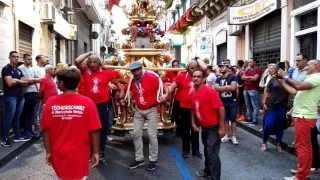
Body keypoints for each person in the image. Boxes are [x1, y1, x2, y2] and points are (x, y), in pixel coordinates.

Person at [41, 68, 101, 180]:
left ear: (62, 84)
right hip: (80, 153)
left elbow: (45, 129)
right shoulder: (88, 103)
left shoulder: (50, 102)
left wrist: (48, 152)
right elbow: (95, 130)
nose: (57, 83)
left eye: (58, 81)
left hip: (58, 152)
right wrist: (96, 152)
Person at [119, 61, 168, 171]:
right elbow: (124, 90)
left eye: (137, 70)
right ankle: (139, 158)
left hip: (152, 109)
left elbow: (165, 88)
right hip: (139, 110)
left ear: (141, 68)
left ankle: (153, 159)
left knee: (151, 135)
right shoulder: (131, 80)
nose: (135, 73)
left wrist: (165, 95)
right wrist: (121, 99)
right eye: (133, 71)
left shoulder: (151, 77)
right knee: (136, 133)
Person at [278, 60, 320, 180]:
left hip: (304, 116)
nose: (305, 67)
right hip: (303, 115)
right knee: (306, 146)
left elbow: (298, 86)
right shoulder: (311, 77)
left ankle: (301, 175)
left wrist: (286, 76)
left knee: (302, 147)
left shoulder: (316, 77)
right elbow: (295, 91)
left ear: (316, 66)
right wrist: (282, 81)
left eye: (308, 65)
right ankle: (304, 171)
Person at [75, 52, 117, 163]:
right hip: (88, 105)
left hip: (102, 105)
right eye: (90, 62)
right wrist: (89, 53)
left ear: (99, 63)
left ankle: (101, 151)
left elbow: (117, 84)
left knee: (102, 128)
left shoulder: (107, 73)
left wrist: (121, 94)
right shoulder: (85, 71)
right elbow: (77, 61)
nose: (92, 64)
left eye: (95, 62)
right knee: (88, 128)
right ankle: (90, 151)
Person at [165, 58, 208, 159]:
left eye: (196, 68)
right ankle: (186, 150)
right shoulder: (181, 76)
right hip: (184, 107)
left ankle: (196, 150)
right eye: (192, 68)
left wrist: (197, 59)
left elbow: (205, 68)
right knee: (185, 129)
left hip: (196, 107)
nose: (194, 70)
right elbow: (172, 87)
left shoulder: (200, 76)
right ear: (188, 68)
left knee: (196, 130)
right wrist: (166, 94)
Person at [191, 69, 225, 180]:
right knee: (207, 150)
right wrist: (193, 123)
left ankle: (215, 177)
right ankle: (207, 171)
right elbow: (193, 109)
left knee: (212, 154)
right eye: (194, 76)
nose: (195, 78)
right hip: (204, 127)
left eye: (198, 76)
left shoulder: (210, 91)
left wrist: (221, 127)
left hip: (213, 128)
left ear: (204, 79)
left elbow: (221, 108)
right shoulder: (194, 92)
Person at [1, 51, 31, 147]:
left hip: (20, 96)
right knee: (9, 117)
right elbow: (9, 83)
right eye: (14, 56)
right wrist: (18, 81)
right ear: (9, 58)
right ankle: (5, 139)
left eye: (17, 57)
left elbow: (26, 81)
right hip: (11, 96)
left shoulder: (18, 70)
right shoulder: (6, 69)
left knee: (17, 117)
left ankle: (17, 136)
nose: (16, 58)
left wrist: (15, 80)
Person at [261, 64, 288, 153]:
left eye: (282, 70)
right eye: (279, 70)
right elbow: (267, 91)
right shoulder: (273, 79)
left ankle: (278, 144)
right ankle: (264, 142)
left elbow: (290, 93)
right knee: (268, 124)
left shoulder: (288, 81)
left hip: (282, 105)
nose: (281, 72)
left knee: (280, 126)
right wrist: (264, 102)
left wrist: (289, 109)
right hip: (271, 105)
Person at [214, 63, 239, 145]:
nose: (221, 68)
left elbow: (233, 88)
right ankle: (227, 135)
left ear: (227, 68)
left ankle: (234, 136)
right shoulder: (218, 79)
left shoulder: (233, 77)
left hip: (233, 101)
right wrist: (227, 87)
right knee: (225, 119)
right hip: (223, 101)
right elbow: (216, 88)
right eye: (220, 67)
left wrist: (222, 88)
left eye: (223, 67)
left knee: (233, 119)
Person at [18, 54, 42, 137]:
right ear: (24, 59)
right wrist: (33, 81)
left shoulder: (32, 69)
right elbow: (23, 81)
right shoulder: (20, 68)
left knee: (32, 112)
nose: (30, 61)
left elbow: (38, 80)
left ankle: (30, 130)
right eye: (28, 59)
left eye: (31, 59)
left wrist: (37, 89)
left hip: (34, 91)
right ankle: (26, 130)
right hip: (26, 92)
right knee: (26, 112)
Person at [241, 58, 263, 126]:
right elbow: (242, 77)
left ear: (254, 63)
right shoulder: (248, 70)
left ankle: (255, 119)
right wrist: (250, 77)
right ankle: (249, 118)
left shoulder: (258, 70)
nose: (249, 63)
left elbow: (255, 78)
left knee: (254, 105)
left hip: (253, 89)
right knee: (248, 104)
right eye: (249, 62)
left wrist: (246, 78)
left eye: (250, 62)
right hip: (246, 89)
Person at [33, 55, 46, 130]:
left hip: (44, 90)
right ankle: (36, 123)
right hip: (38, 90)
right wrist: (38, 90)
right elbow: (36, 80)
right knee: (37, 108)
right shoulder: (35, 68)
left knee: (41, 107)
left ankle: (40, 122)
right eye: (43, 58)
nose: (45, 59)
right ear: (39, 59)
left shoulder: (43, 69)